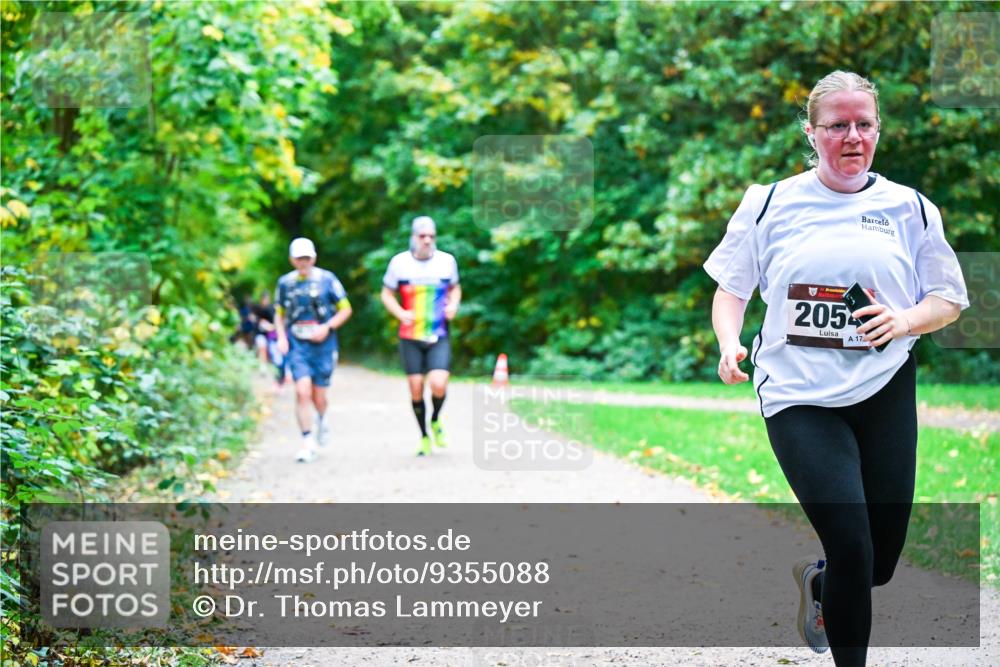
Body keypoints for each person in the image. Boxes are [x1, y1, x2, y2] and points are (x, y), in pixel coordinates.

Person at [704, 71, 968, 666]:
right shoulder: (769, 202)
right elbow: (731, 290)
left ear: (878, 129)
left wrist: (903, 320)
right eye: (837, 126)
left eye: (863, 124)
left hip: (884, 387)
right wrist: (728, 341)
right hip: (798, 394)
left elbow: (948, 300)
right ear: (812, 132)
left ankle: (822, 584)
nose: (852, 137)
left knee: (880, 558)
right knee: (851, 543)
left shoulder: (910, 207)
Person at [380, 216, 461, 456]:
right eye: (422, 236)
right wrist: (400, 313)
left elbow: (455, 288)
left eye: (431, 236)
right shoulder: (399, 263)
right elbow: (386, 294)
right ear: (413, 237)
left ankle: (435, 420)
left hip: (438, 333)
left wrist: (453, 305)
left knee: (438, 384)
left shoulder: (446, 261)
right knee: (416, 388)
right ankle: (424, 436)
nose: (427, 240)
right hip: (410, 335)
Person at [275, 237, 353, 462]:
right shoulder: (285, 283)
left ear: (314, 258)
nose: (303, 262)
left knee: (319, 396)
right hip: (298, 344)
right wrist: (281, 337)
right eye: (299, 258)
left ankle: (322, 417)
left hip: (323, 345)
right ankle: (307, 442)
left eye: (307, 258)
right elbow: (279, 313)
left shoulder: (327, 280)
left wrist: (327, 327)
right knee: (302, 391)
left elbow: (346, 309)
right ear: (292, 260)